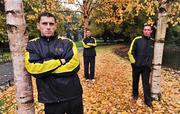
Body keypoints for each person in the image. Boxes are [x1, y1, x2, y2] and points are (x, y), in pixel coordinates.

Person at [25, 12, 83, 114]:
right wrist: (60, 61)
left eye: (51, 24)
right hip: (50, 99)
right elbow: (33, 68)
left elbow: (74, 65)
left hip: (73, 95)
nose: (48, 27)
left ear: (55, 26)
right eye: (44, 23)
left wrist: (45, 68)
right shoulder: (32, 45)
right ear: (38, 25)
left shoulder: (67, 43)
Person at [128, 24, 154, 108]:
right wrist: (134, 63)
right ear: (143, 31)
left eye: (148, 30)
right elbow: (130, 52)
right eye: (145, 29)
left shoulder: (152, 41)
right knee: (135, 81)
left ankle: (148, 100)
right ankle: (135, 95)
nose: (146, 31)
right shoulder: (137, 40)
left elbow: (155, 54)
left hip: (146, 67)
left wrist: (151, 64)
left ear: (151, 31)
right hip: (137, 66)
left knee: (146, 84)